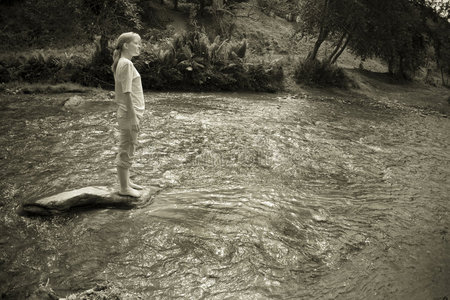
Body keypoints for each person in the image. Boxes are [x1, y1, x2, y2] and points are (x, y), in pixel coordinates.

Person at [111, 32, 145, 197]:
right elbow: (127, 93)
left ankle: (127, 181)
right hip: (129, 114)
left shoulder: (124, 63)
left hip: (129, 113)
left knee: (129, 146)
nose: (139, 46)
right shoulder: (126, 64)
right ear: (126, 45)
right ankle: (124, 188)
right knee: (126, 147)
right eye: (136, 43)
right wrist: (133, 117)